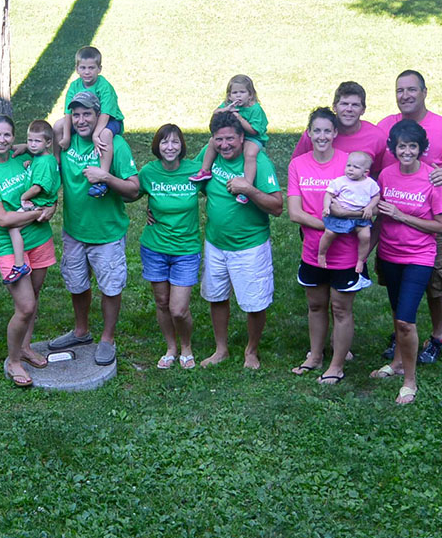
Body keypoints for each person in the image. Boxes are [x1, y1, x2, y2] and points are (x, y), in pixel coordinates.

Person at [47, 91, 140, 367]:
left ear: (98, 116)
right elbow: (42, 146)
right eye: (75, 114)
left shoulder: (115, 145)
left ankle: (108, 338)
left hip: (107, 233)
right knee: (76, 283)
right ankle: (81, 331)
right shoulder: (66, 142)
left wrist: (106, 177)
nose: (81, 120)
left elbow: (134, 190)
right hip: (75, 231)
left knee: (110, 288)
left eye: (87, 114)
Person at [0, 115, 58, 387]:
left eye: (7, 135)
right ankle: (13, 361)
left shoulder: (22, 155)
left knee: (33, 297)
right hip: (10, 245)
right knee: (25, 307)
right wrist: (37, 213)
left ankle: (25, 346)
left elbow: (45, 175)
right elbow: (2, 219)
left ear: (14, 138)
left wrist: (51, 207)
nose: (2, 140)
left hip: (39, 240)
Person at [197, 110, 283, 369]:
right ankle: (221, 349)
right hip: (215, 243)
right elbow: (194, 183)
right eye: (219, 139)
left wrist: (249, 189)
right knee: (217, 296)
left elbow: (277, 206)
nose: (224, 145)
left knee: (254, 303)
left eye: (230, 139)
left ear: (242, 137)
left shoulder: (259, 162)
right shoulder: (209, 155)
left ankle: (251, 350)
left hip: (250, 246)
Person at [287, 108, 365, 385]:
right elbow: (295, 213)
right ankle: (315, 355)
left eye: (326, 131)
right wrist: (332, 225)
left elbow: (364, 205)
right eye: (316, 131)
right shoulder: (298, 165)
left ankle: (336, 365)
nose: (321, 136)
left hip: (345, 253)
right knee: (316, 306)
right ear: (309, 133)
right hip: (312, 250)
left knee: (341, 309)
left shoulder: (349, 164)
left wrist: (341, 223)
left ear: (335, 133)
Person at [368, 120, 442, 404]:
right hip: (389, 255)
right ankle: (397, 362)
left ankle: (409, 381)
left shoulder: (432, 179)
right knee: (397, 313)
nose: (407, 151)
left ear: (421, 149)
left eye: (413, 146)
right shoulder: (386, 175)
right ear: (393, 148)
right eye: (402, 146)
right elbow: (379, 220)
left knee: (406, 321)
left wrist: (401, 215)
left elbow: (439, 226)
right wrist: (364, 255)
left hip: (418, 258)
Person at [375, 71, 442, 364]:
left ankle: (438, 337)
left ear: (425, 92)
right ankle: (402, 333)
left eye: (412, 89)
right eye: (400, 90)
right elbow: (370, 159)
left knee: (436, 284)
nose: (405, 95)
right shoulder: (386, 126)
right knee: (398, 284)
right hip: (392, 225)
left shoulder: (439, 126)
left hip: (431, 216)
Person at [136, 124, 202, 370]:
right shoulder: (148, 172)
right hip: (155, 247)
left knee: (178, 309)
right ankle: (171, 347)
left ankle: (187, 346)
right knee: (162, 301)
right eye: (165, 142)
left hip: (186, 249)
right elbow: (132, 193)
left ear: (182, 145)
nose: (170, 147)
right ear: (157, 146)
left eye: (175, 142)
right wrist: (147, 208)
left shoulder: (195, 171)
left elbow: (215, 184)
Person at [52, 46, 125, 198]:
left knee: (104, 135)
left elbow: (105, 113)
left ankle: (102, 178)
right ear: (77, 69)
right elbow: (68, 113)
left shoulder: (104, 86)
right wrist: (65, 136)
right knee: (58, 126)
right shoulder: (74, 86)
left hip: (110, 120)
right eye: (83, 68)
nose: (87, 72)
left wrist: (95, 134)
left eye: (91, 68)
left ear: (99, 69)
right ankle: (57, 162)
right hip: (84, 117)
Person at [190, 75, 269, 204]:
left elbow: (253, 130)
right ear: (229, 95)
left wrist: (239, 118)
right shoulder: (229, 104)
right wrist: (226, 109)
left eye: (242, 92)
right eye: (235, 92)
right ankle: (205, 170)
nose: (238, 96)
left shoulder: (255, 109)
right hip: (236, 136)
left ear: (250, 95)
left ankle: (247, 187)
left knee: (250, 154)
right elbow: (215, 113)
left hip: (253, 138)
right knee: (212, 142)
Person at [5, 120, 60, 284]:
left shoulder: (45, 162)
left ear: (48, 142)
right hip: (38, 201)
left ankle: (19, 264)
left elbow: (37, 187)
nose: (32, 145)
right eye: (30, 140)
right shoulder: (40, 159)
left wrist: (24, 198)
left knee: (13, 227)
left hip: (37, 202)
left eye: (37, 141)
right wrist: (31, 165)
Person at [291, 81, 386, 174]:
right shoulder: (318, 134)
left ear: (363, 110)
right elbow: (296, 166)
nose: (349, 109)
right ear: (334, 107)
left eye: (355, 105)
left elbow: (380, 174)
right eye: (344, 104)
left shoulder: (377, 137)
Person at [318, 151, 380, 273]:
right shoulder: (340, 181)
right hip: (340, 217)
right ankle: (321, 254)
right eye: (349, 165)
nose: (350, 169)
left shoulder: (370, 184)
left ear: (365, 172)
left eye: (356, 167)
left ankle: (361, 260)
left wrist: (369, 207)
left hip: (360, 217)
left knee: (366, 236)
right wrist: (326, 207)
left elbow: (376, 196)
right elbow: (328, 195)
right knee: (329, 233)